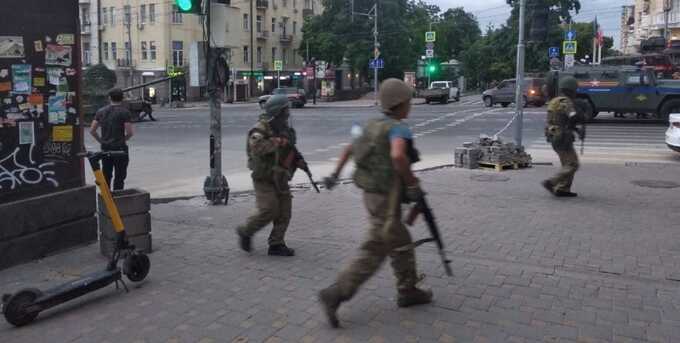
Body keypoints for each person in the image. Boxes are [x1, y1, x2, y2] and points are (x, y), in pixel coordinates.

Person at [318, 78, 432, 329]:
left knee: (400, 242)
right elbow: (398, 155)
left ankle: (408, 289)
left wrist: (335, 175)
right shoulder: (398, 128)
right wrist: (412, 184)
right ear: (400, 103)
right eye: (408, 101)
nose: (410, 106)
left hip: (370, 194)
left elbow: (349, 148)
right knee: (376, 248)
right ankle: (336, 292)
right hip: (387, 197)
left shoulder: (367, 124)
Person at [236, 94, 298, 257]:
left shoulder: (283, 127)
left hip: (281, 176)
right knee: (268, 209)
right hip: (264, 177)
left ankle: (276, 244)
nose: (288, 114)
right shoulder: (260, 129)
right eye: (285, 111)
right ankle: (245, 231)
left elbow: (290, 149)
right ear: (277, 112)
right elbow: (257, 148)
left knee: (285, 211)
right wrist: (277, 142)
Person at [541, 76, 584, 197]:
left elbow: (562, 120)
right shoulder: (565, 102)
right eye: (575, 90)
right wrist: (582, 116)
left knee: (567, 164)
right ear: (571, 90)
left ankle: (563, 189)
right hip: (562, 137)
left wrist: (576, 129)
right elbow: (573, 116)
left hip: (554, 135)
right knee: (573, 165)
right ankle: (552, 182)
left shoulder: (555, 100)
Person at [90, 88, 134, 190]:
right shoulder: (125, 112)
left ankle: (106, 199)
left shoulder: (101, 111)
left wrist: (102, 141)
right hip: (120, 149)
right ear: (122, 98)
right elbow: (130, 132)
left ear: (109, 98)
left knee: (106, 175)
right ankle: (117, 199)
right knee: (120, 176)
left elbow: (92, 130)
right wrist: (123, 140)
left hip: (106, 148)